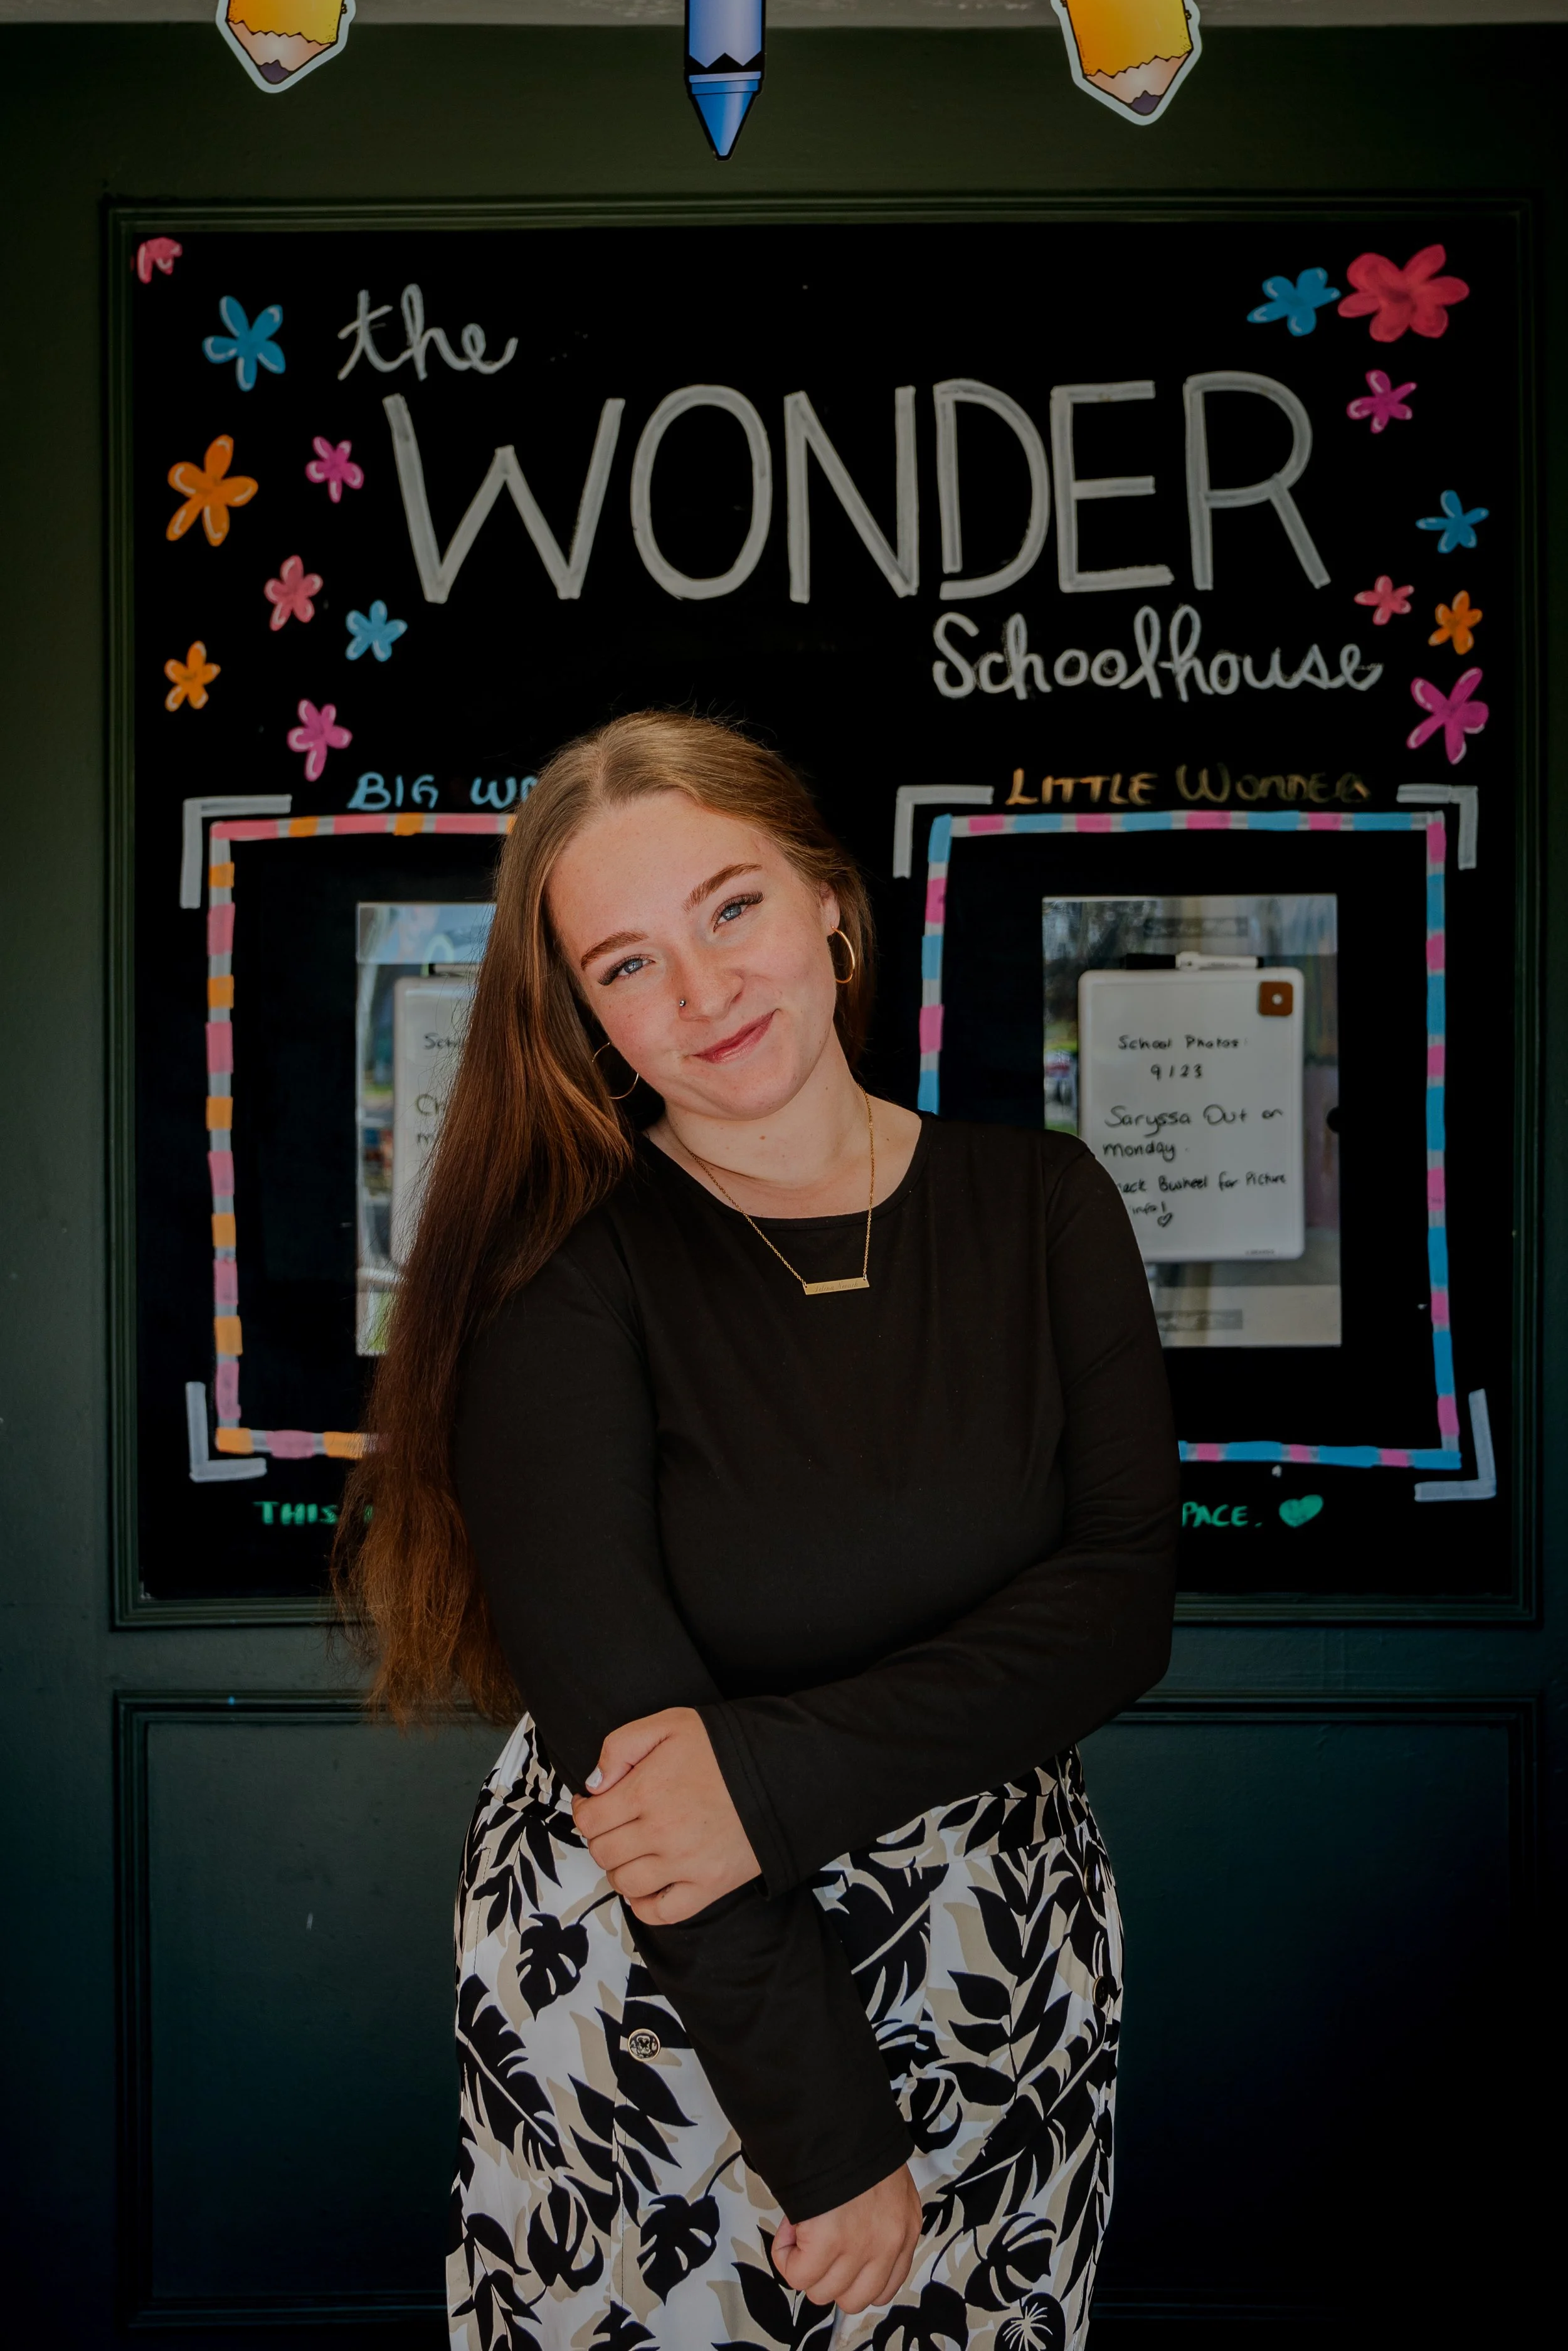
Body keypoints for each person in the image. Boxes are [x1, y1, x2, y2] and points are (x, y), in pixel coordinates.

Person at [334, 711, 1179, 2351]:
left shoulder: (1041, 1207)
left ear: (829, 903)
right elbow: (648, 1777)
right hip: (674, 1995)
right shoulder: (561, 1284)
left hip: (996, 1963)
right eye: (629, 962)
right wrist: (830, 2138)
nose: (705, 991)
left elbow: (1117, 1602)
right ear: (581, 1013)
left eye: (732, 908)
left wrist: (772, 1776)